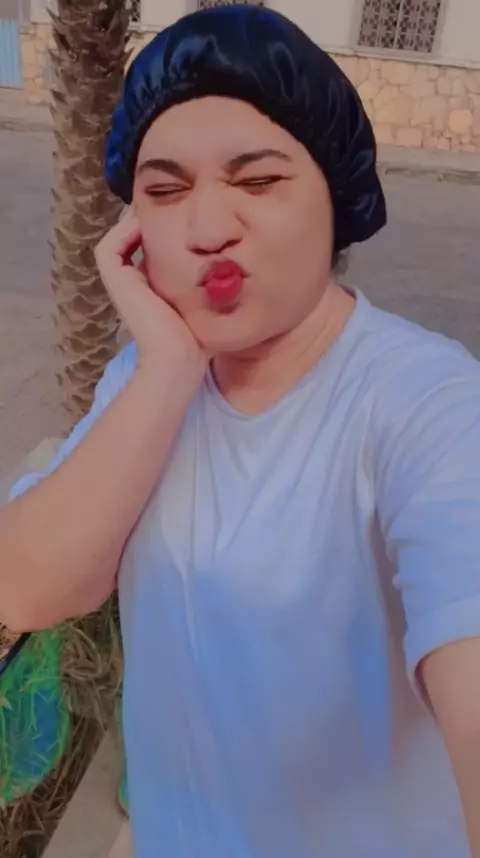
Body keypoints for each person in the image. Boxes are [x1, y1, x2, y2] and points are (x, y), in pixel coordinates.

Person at [1, 6, 480, 857]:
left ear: (336, 198)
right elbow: (26, 588)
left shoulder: (428, 405)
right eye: (165, 191)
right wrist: (167, 370)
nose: (207, 228)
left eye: (257, 182)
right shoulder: (149, 377)